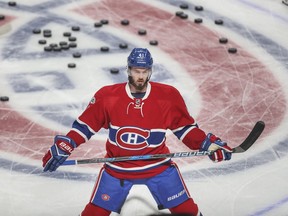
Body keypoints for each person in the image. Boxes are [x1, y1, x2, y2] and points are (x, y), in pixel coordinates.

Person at [42, 48, 233, 216]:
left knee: (187, 211)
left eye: (144, 71)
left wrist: (207, 144)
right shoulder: (107, 96)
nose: (140, 76)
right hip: (117, 170)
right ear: (128, 70)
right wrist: (66, 145)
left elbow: (185, 129)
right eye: (136, 71)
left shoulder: (168, 97)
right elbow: (85, 127)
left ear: (150, 71)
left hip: (158, 167)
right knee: (93, 214)